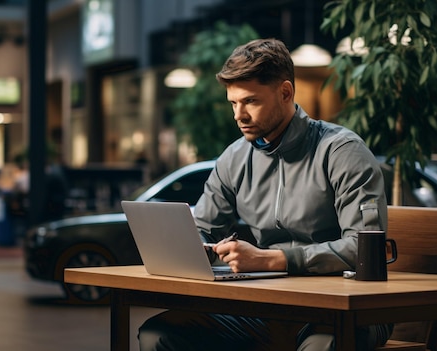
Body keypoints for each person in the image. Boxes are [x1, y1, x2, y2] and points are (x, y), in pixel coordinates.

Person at [138, 38, 392, 350]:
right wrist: (190, 247)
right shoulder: (234, 157)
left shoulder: (341, 151)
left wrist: (274, 259)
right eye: (233, 103)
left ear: (285, 92)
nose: (238, 115)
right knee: (158, 334)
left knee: (321, 346)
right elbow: (202, 229)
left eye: (250, 102)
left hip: (345, 307)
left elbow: (364, 247)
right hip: (269, 306)